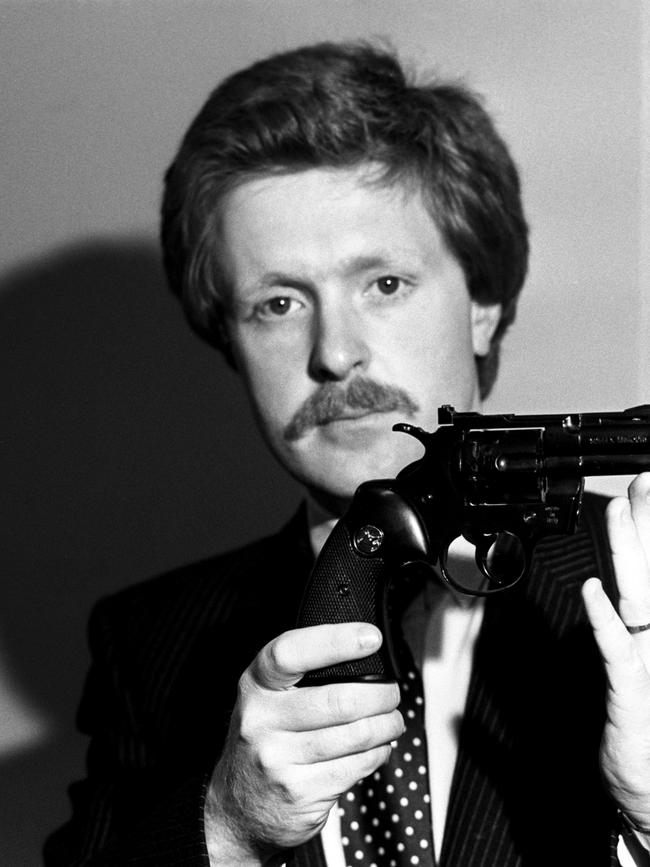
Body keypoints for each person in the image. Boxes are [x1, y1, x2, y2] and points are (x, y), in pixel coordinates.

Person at [44, 39, 650, 867]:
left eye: (385, 284)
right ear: (228, 338)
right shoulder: (150, 644)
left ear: (481, 302)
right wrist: (226, 826)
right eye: (278, 302)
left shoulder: (640, 590)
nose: (335, 353)